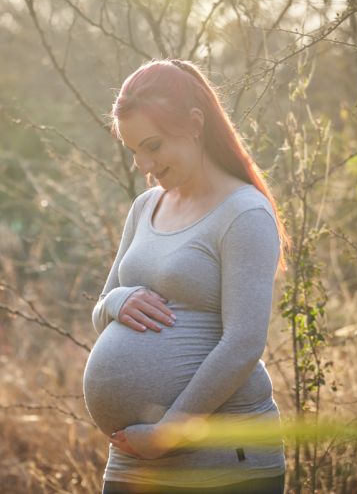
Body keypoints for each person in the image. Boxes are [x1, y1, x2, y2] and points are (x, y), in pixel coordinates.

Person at [82, 58, 292, 494]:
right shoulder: (145, 208)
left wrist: (167, 434)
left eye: (153, 145)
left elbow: (244, 343)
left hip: (222, 463)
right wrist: (119, 301)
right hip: (133, 459)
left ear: (194, 124)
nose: (143, 163)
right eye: (134, 150)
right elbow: (100, 311)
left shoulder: (244, 213)